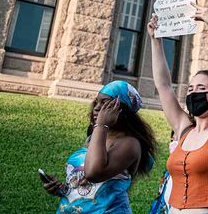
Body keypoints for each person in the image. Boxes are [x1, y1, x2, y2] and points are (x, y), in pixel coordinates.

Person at [148, 6, 208, 214]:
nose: (193, 93)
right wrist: (156, 40)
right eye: (190, 89)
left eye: (201, 88)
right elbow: (163, 85)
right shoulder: (184, 129)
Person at [41, 80, 157, 214]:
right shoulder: (95, 136)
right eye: (96, 102)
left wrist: (101, 125)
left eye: (105, 103)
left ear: (121, 109)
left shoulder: (130, 144)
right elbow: (89, 185)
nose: (96, 107)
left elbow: (93, 173)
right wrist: (64, 189)